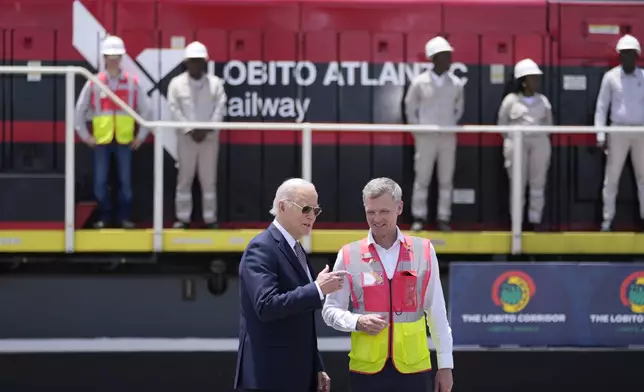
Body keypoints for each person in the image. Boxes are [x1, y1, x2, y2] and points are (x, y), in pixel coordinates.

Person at [322, 177, 454, 392]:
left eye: (384, 211)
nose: (377, 219)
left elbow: (436, 311)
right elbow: (330, 310)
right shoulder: (348, 254)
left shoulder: (424, 250)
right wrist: (356, 321)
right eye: (370, 212)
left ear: (399, 207)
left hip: (414, 369)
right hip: (366, 371)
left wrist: (446, 365)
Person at [234, 178, 348, 392]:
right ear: (282, 206)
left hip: (296, 377)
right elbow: (266, 306)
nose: (312, 216)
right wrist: (316, 289)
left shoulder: (295, 249)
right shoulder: (262, 247)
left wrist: (316, 366)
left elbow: (301, 320)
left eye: (316, 210)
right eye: (305, 208)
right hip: (268, 378)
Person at [74, 35, 151, 229]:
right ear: (104, 57)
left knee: (125, 183)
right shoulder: (95, 82)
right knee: (100, 183)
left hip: (125, 141)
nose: (113, 59)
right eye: (110, 55)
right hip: (101, 141)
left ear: (121, 58)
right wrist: (85, 136)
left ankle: (124, 218)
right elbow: (79, 111)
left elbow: (147, 111)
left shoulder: (132, 82)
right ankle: (105, 217)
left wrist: (141, 137)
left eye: (116, 55)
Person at [405, 36, 465, 232]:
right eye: (445, 56)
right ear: (434, 58)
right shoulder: (419, 82)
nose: (449, 59)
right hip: (426, 137)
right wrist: (419, 131)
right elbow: (410, 108)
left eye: (449, 55)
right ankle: (419, 217)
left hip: (448, 137)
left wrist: (449, 126)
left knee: (446, 179)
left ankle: (443, 218)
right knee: (422, 178)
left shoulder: (456, 83)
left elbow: (459, 108)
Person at [168, 41, 227, 229]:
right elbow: (174, 108)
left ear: (205, 62)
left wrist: (207, 129)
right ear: (186, 63)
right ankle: (183, 218)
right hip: (186, 139)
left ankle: (210, 219)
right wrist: (189, 129)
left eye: (199, 61)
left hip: (208, 139)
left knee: (208, 180)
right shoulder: (176, 84)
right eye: (192, 61)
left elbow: (220, 107)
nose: (196, 64)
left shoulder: (215, 84)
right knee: (184, 179)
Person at [497, 58, 553, 231]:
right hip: (516, 144)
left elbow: (549, 125)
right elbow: (502, 124)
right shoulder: (510, 101)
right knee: (517, 184)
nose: (536, 81)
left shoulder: (543, 101)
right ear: (523, 81)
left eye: (537, 78)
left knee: (538, 183)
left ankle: (535, 220)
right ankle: (517, 223)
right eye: (532, 78)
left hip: (539, 143)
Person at [595, 34, 644, 232]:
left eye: (631, 54)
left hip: (641, 131)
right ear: (620, 56)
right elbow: (601, 106)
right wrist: (600, 134)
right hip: (617, 130)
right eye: (624, 54)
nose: (628, 58)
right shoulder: (610, 77)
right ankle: (607, 221)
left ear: (637, 56)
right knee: (612, 177)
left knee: (643, 178)